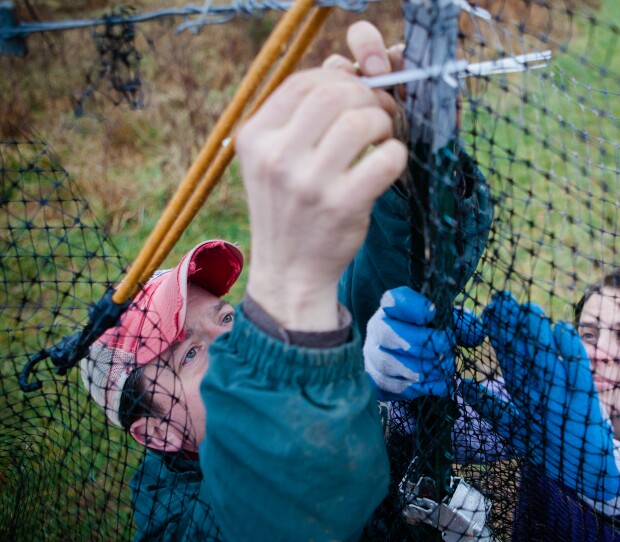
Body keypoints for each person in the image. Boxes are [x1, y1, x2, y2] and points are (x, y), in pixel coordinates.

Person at [78, 21, 491, 541]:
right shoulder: (183, 524)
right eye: (189, 354)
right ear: (158, 430)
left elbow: (375, 285)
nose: (234, 340)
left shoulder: (287, 360)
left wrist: (422, 174)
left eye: (227, 316)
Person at [367, 266, 620, 540]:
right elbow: (459, 434)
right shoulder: (549, 402)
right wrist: (412, 388)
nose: (599, 352)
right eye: (588, 333)